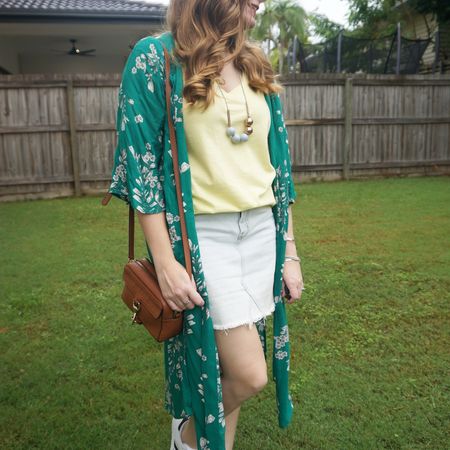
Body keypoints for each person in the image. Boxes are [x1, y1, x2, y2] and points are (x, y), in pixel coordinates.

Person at [107, 1, 304, 449]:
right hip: (205, 243)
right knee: (250, 375)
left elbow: (279, 169)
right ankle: (186, 438)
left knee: (225, 371)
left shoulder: (254, 62)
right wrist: (165, 261)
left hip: (260, 236)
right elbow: (143, 168)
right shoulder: (158, 57)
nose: (261, 1)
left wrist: (289, 251)